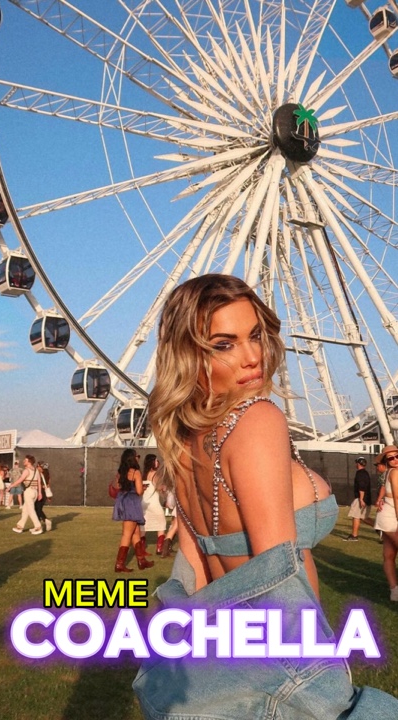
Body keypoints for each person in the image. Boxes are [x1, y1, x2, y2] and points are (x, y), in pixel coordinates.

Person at [132, 274, 398, 719]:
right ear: (189, 353)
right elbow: (281, 566)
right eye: (224, 344)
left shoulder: (183, 437)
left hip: (233, 654)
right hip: (283, 660)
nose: (252, 356)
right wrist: (320, 671)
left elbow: (195, 565)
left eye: (255, 335)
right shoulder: (256, 419)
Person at [111, 448, 154, 572]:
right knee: (127, 534)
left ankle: (141, 561)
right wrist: (142, 488)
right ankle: (119, 564)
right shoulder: (136, 472)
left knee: (136, 533)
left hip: (123, 503)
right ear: (132, 458)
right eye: (137, 456)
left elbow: (118, 486)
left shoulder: (121, 472)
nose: (138, 458)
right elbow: (139, 491)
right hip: (132, 503)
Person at [374, 445, 398, 601]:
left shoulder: (389, 472)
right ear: (386, 461)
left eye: (397, 456)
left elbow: (385, 489)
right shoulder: (394, 472)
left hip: (387, 515)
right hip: (391, 516)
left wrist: (380, 499)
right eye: (391, 458)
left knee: (388, 555)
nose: (395, 460)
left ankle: (394, 591)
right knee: (389, 556)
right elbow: (396, 497)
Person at [8, 455, 43, 535]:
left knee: (30, 510)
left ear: (29, 462)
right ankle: (20, 526)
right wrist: (40, 493)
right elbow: (39, 482)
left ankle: (38, 527)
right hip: (35, 492)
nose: (24, 461)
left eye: (25, 460)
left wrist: (10, 486)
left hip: (29, 491)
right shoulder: (36, 470)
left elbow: (20, 480)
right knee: (25, 509)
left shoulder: (26, 470)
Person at [140, 453, 166, 555]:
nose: (157, 462)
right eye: (155, 460)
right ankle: (159, 548)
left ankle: (141, 548)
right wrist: (164, 488)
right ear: (152, 462)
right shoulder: (155, 474)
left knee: (143, 526)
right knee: (161, 524)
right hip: (154, 503)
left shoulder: (143, 474)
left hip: (144, 503)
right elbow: (160, 487)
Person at [343, 457, 372, 541]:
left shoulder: (360, 473)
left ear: (358, 463)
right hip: (366, 497)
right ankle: (379, 529)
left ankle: (354, 536)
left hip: (361, 498)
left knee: (356, 516)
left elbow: (361, 487)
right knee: (363, 517)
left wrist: (361, 499)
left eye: (356, 463)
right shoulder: (365, 473)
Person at [34, 461, 52, 532]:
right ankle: (39, 524)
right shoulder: (47, 474)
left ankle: (44, 521)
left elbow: (40, 484)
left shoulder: (40, 474)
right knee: (38, 509)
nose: (37, 467)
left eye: (38, 466)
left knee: (37, 509)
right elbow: (48, 485)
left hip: (40, 492)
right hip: (43, 493)